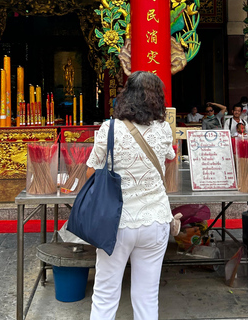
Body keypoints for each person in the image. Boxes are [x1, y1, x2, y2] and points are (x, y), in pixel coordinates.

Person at [86, 71, 176, 320]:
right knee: (147, 297)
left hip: (116, 223)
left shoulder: (109, 128)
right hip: (155, 219)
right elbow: (170, 157)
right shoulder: (163, 130)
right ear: (157, 99)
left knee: (105, 294)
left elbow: (92, 168)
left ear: (126, 96)